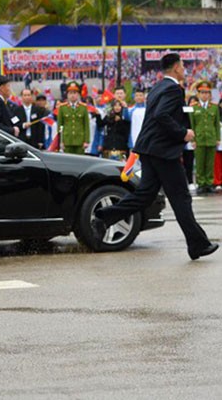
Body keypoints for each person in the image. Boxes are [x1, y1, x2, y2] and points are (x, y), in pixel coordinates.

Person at [92, 53, 218, 261]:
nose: (184, 68)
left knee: (146, 194)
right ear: (176, 67)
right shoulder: (173, 89)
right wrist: (182, 133)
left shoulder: (157, 88)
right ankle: (197, 244)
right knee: (181, 198)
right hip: (163, 153)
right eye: (183, 65)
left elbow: (155, 117)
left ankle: (104, 217)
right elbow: (161, 116)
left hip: (150, 150)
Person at [190, 80, 220, 194]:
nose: (205, 95)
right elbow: (192, 124)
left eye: (207, 93)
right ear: (198, 94)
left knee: (209, 163)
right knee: (200, 163)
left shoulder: (214, 107)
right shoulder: (194, 107)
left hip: (211, 138)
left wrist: (217, 138)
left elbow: (216, 124)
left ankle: (209, 183)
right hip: (199, 139)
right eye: (202, 93)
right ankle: (201, 183)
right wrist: (193, 139)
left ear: (210, 94)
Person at [57, 82, 90, 154]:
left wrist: (86, 141)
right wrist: (60, 141)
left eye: (75, 93)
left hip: (80, 140)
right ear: (67, 95)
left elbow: (86, 125)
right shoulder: (62, 108)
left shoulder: (83, 107)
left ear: (78, 95)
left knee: (80, 162)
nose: (72, 95)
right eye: (70, 93)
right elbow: (60, 125)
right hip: (67, 140)